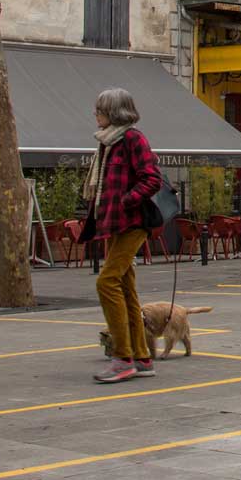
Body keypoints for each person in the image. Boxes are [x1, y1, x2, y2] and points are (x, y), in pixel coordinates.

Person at [81, 88, 162, 384]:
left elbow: (152, 178)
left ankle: (122, 357)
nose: (95, 113)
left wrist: (127, 201)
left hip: (131, 223)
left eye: (100, 109)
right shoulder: (108, 142)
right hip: (114, 225)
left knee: (107, 282)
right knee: (125, 288)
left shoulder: (132, 139)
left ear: (114, 112)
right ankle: (141, 357)